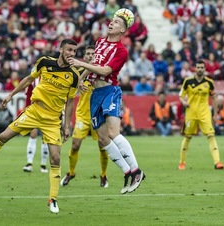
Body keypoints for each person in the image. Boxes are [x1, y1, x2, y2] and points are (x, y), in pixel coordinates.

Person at [0, 39, 80, 214]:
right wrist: (10, 95)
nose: (72, 53)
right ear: (61, 49)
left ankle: (52, 199)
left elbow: (70, 102)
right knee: (3, 137)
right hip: (33, 111)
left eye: (74, 51)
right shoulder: (44, 62)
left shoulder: (74, 75)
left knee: (55, 158)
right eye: (69, 50)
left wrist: (67, 125)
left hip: (53, 119)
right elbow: (28, 79)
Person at [68, 9, 145, 194]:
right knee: (103, 139)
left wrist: (80, 64)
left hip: (110, 91)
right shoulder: (100, 42)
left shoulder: (122, 51)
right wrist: (82, 79)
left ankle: (136, 170)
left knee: (113, 132)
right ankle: (127, 172)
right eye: (112, 20)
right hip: (95, 94)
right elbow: (95, 62)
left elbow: (104, 70)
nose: (112, 23)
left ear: (122, 31)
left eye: (117, 22)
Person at [60, 46, 109, 188]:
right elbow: (69, 92)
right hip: (82, 115)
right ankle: (71, 172)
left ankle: (104, 175)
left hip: (98, 115)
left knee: (102, 146)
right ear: (84, 56)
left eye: (93, 53)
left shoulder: (102, 71)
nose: (90, 55)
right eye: (88, 54)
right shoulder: (78, 72)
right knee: (75, 145)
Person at [178, 60, 224, 170]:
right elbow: (181, 95)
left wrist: (215, 114)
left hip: (205, 114)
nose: (200, 69)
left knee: (211, 136)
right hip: (191, 114)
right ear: (195, 68)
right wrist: (184, 102)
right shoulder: (188, 81)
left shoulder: (209, 82)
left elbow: (213, 98)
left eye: (202, 67)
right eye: (198, 67)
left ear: (204, 69)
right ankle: (182, 163)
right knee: (187, 137)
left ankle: (217, 162)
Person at [22, 78, 49, 174]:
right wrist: (27, 110)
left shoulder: (51, 76)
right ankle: (29, 163)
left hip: (47, 111)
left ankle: (43, 164)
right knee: (33, 135)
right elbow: (28, 94)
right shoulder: (34, 78)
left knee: (45, 137)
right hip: (34, 111)